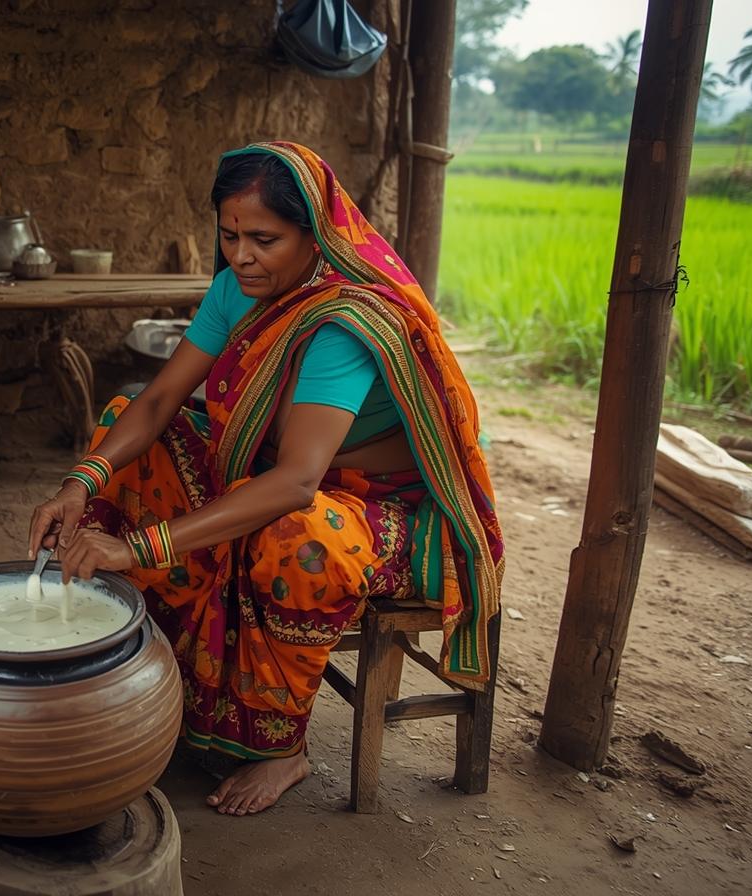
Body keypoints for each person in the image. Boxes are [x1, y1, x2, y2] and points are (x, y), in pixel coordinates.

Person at [26, 141, 504, 817]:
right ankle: (146, 678)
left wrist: (138, 547)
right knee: (125, 437)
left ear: (316, 238)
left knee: (293, 538)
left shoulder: (345, 320)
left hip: (390, 511)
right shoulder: (237, 289)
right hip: (286, 471)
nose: (242, 255)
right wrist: (80, 481)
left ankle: (284, 748)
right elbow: (159, 402)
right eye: (229, 236)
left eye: (264, 239)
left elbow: (296, 483)